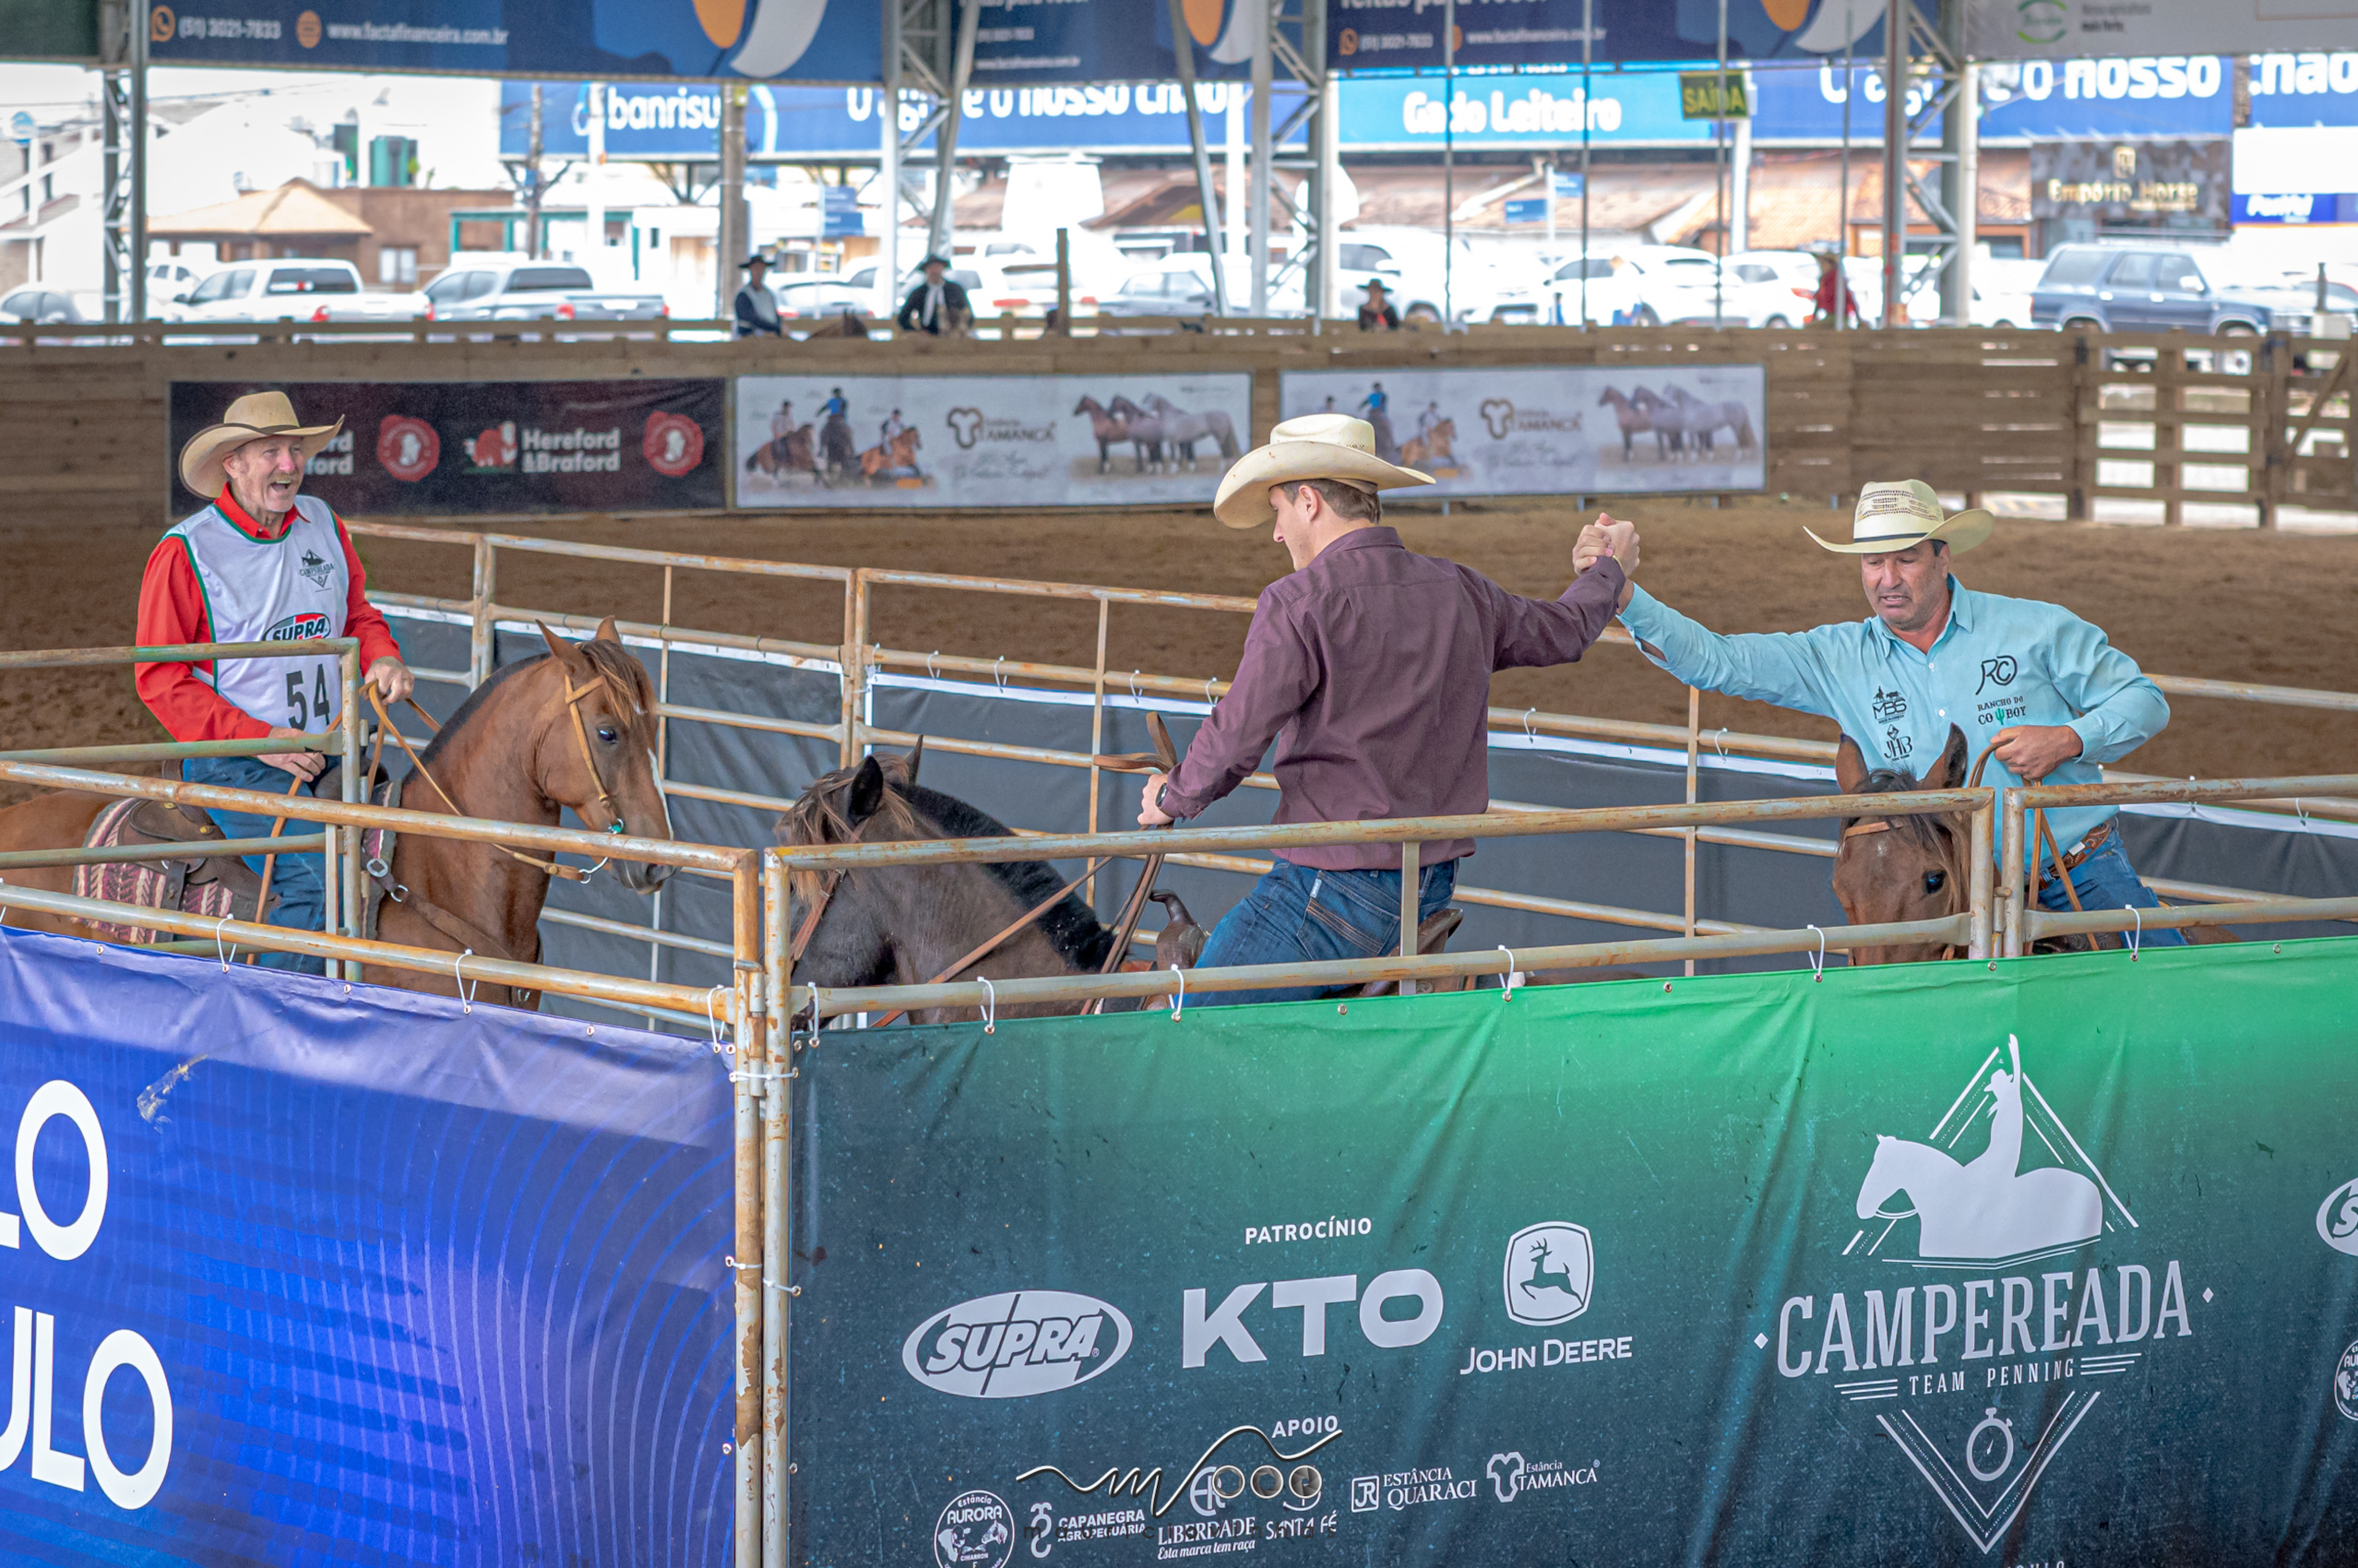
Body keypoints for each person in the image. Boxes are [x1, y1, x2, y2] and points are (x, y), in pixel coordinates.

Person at [1134, 415, 1639, 1004]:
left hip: (1331, 889)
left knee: (1197, 1018)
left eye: (1277, 511)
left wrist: (1171, 796)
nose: (1276, 533)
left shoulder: (1298, 603)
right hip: (1430, 885)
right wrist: (1608, 572)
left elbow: (1238, 732)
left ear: (1309, 501)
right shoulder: (1461, 591)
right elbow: (1566, 631)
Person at [1584, 480, 2184, 945]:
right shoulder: (1838, 658)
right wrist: (1623, 594)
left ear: (1943, 557)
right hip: (1935, 894)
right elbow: (1717, 660)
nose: (1887, 580)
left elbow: (2144, 700)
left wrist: (2069, 739)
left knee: (2165, 998)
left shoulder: (2037, 628)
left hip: (2072, 873)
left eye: (1905, 559)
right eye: (1873, 562)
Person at [137, 391, 415, 972]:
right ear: (232, 464)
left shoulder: (322, 524)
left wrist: (382, 657)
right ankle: (275, 1039)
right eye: (270, 452)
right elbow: (162, 678)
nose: (288, 465)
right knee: (319, 890)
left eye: (295, 451)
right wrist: (263, 739)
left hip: (329, 746)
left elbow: (357, 615)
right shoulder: (187, 551)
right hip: (237, 760)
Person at [898, 254, 970, 336]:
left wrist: (959, 331)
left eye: (937, 267)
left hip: (951, 336)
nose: (935, 271)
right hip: (926, 336)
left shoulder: (955, 290)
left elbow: (968, 313)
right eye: (931, 268)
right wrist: (916, 332)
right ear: (926, 270)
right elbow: (903, 318)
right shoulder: (919, 292)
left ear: (943, 269)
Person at [734, 253, 782, 338]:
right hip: (750, 339)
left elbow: (774, 316)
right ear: (750, 271)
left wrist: (779, 328)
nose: (759, 272)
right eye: (756, 269)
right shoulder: (744, 295)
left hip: (770, 338)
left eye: (761, 269)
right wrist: (775, 328)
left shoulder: (769, 294)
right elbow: (751, 319)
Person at [1808, 251, 1860, 328]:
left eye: (1824, 263)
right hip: (1832, 316)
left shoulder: (1834, 278)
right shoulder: (1827, 278)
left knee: (1810, 329)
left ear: (1831, 264)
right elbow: (1819, 299)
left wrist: (1858, 318)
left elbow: (1848, 297)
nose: (1821, 265)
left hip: (1837, 317)